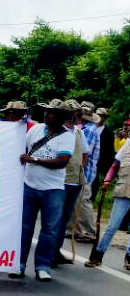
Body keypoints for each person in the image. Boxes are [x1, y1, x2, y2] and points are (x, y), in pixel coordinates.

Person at [13, 99, 73, 282]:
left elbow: (62, 162)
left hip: (53, 190)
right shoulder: (35, 129)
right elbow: (21, 149)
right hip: (29, 185)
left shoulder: (68, 136)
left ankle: (42, 266)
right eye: (46, 111)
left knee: (49, 230)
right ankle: (19, 264)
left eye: (52, 112)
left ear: (62, 117)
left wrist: (34, 160)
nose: (47, 114)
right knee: (24, 227)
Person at [85, 138, 130, 271]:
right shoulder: (127, 144)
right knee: (112, 226)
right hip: (124, 190)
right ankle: (97, 255)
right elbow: (115, 165)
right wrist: (107, 180)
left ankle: (129, 258)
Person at [54, 99, 86, 267]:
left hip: (75, 182)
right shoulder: (56, 132)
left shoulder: (79, 133)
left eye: (78, 114)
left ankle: (56, 251)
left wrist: (79, 170)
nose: (77, 117)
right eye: (74, 114)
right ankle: (50, 253)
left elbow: (85, 154)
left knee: (65, 218)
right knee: (56, 219)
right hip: (60, 182)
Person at [68, 102, 101, 243]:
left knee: (84, 201)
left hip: (84, 171)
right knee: (75, 201)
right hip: (81, 170)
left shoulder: (89, 130)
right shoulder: (84, 128)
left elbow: (84, 153)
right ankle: (73, 230)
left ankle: (89, 232)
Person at [93, 107, 114, 200]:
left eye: (101, 116)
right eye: (97, 115)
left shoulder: (108, 133)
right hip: (88, 161)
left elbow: (110, 152)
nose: (99, 118)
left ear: (104, 118)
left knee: (94, 183)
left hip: (100, 162)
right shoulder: (89, 129)